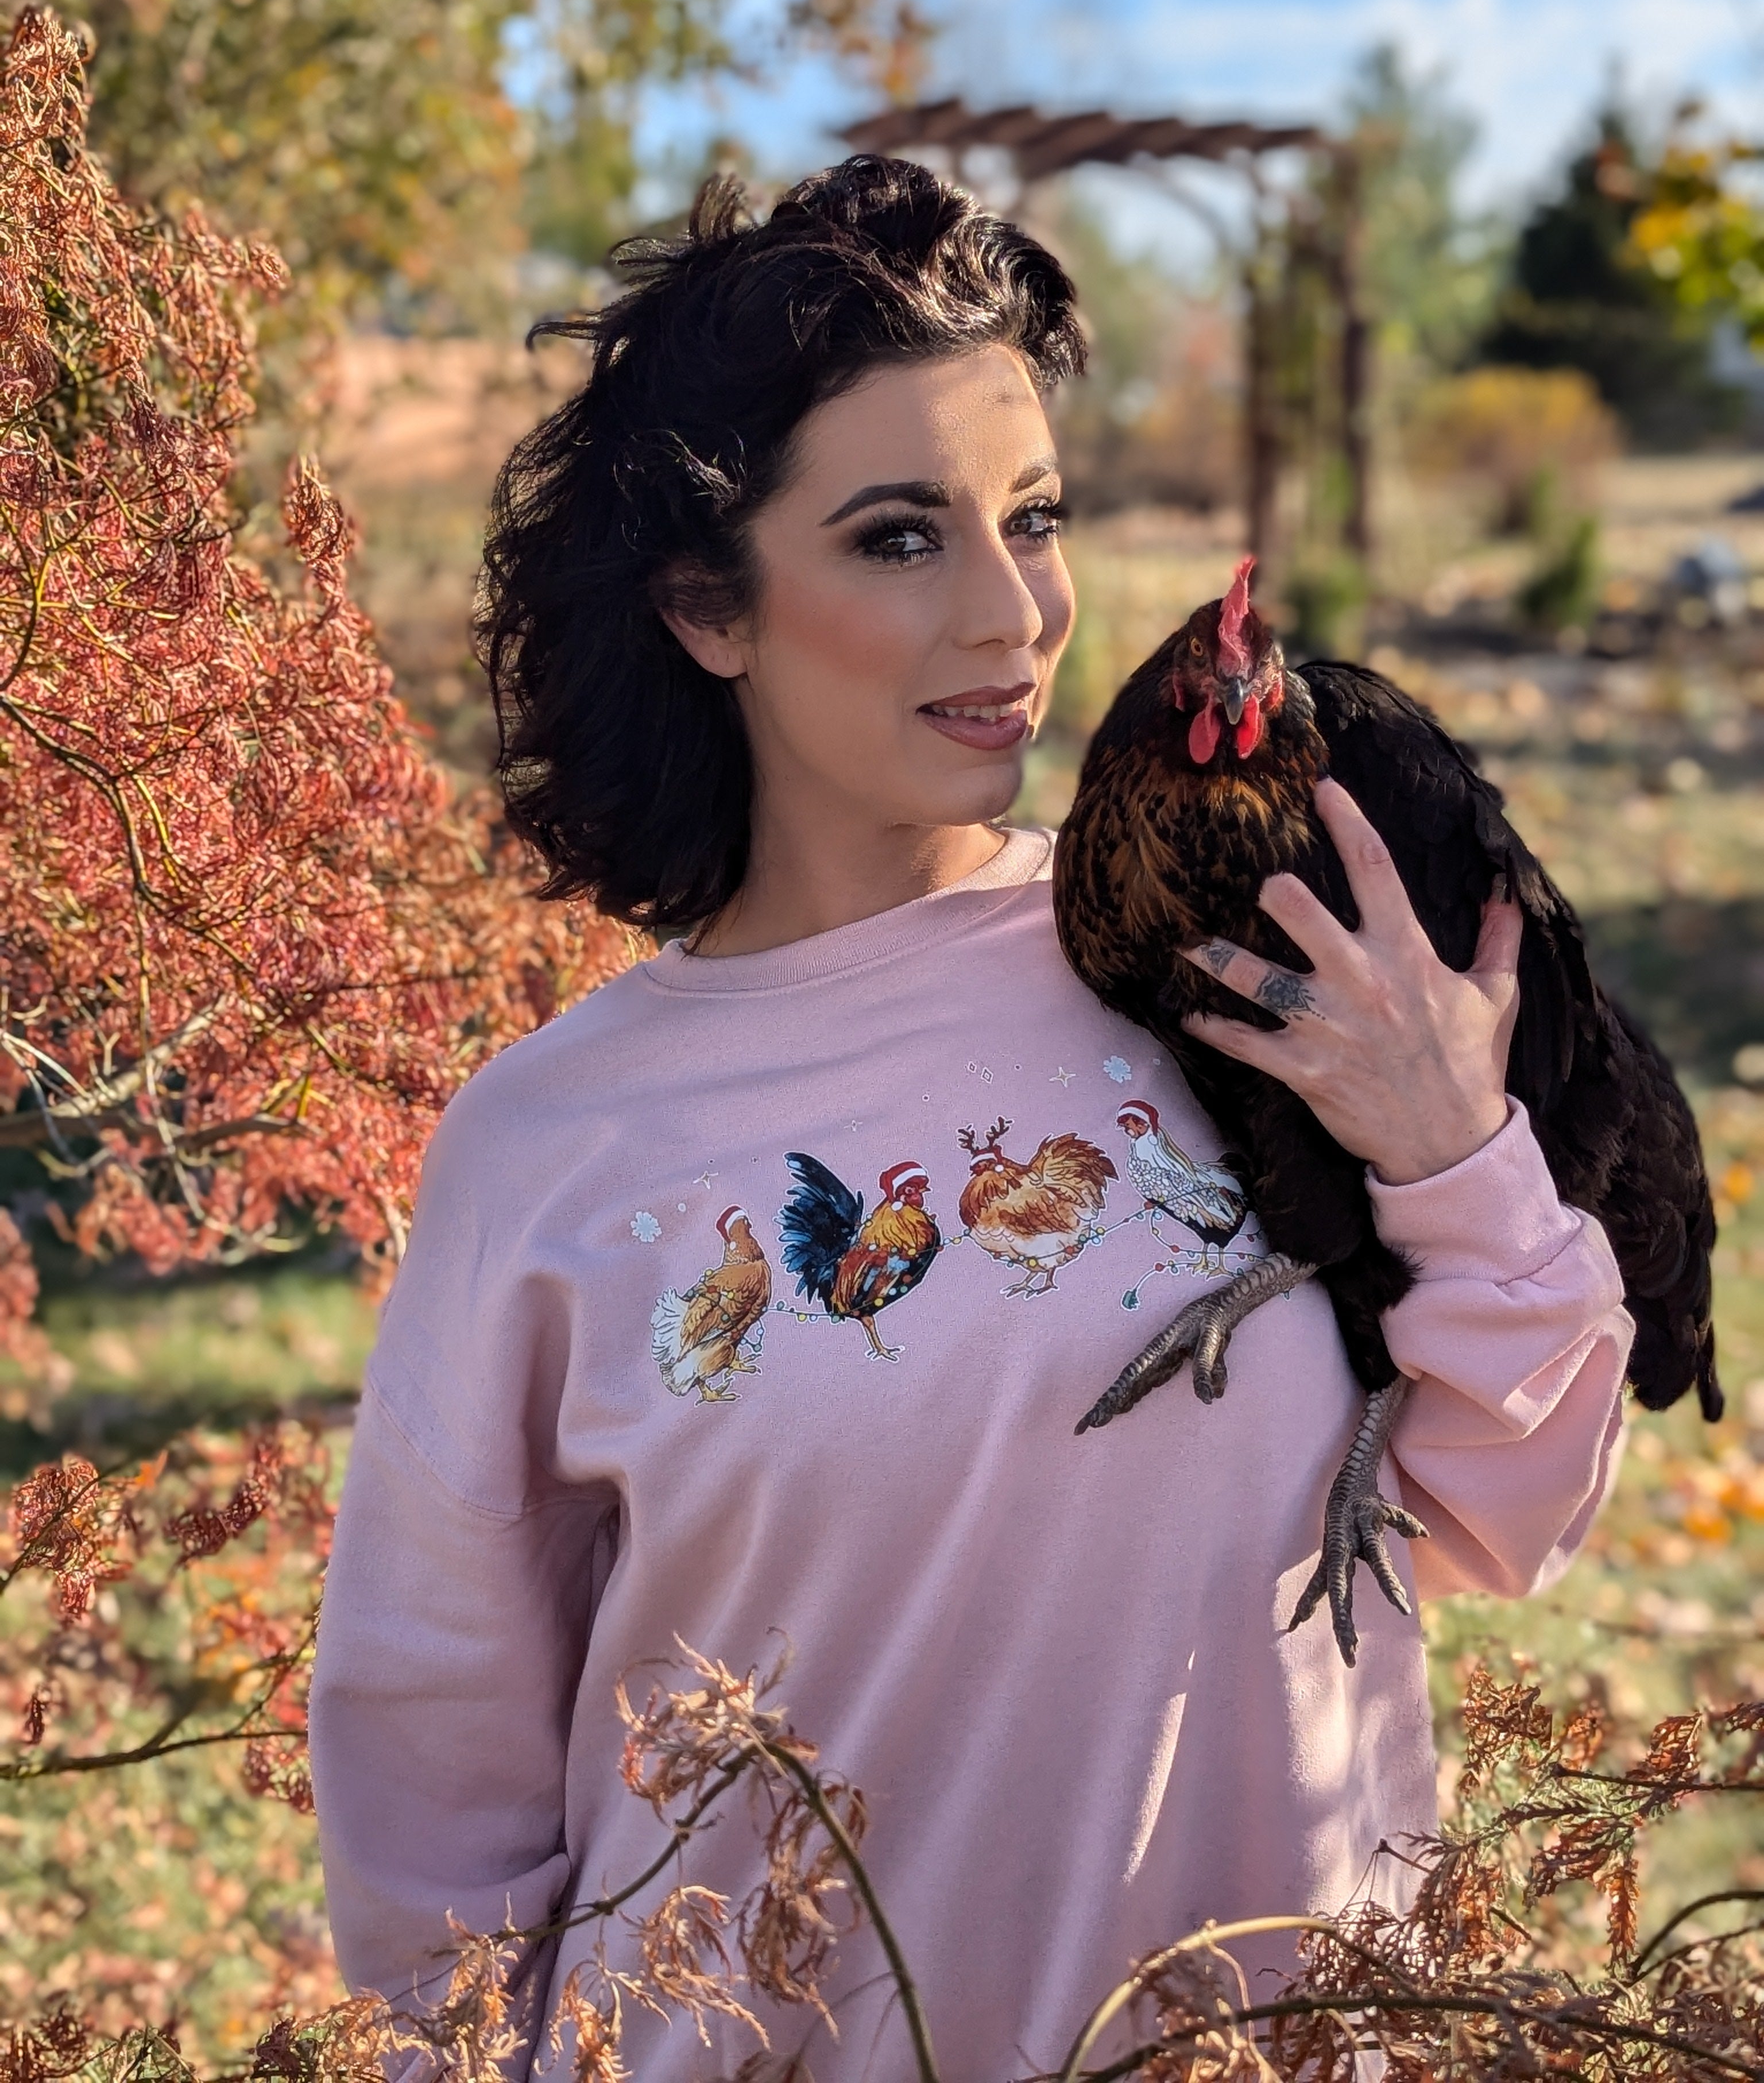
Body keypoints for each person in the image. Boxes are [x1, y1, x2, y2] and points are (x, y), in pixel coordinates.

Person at [309, 159, 1631, 2080]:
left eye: (1036, 518)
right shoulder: (553, 1146)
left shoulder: (1229, 958)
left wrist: (1456, 1160)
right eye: (901, 537)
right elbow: (436, 1781)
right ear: (708, 608)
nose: (1014, 612)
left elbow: (1518, 1510)